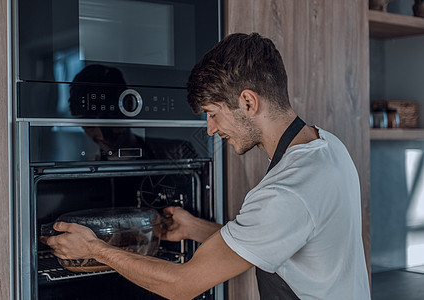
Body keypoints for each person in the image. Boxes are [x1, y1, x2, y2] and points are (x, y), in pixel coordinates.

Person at [43, 32, 371, 299]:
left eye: (213, 113)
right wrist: (193, 228)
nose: (211, 129)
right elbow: (274, 236)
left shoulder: (284, 193)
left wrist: (94, 249)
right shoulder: (325, 145)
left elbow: (182, 284)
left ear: (248, 101)